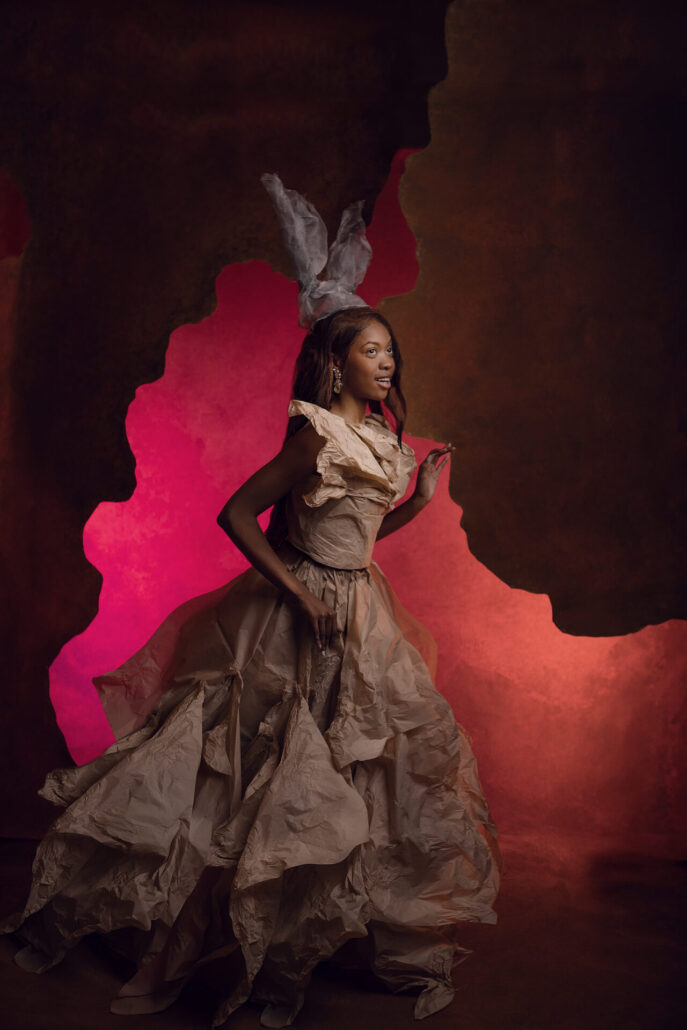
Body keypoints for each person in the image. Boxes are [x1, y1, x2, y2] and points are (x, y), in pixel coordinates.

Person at [1, 178, 500, 1028]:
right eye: (372, 351)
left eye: (390, 351)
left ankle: (293, 947)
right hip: (293, 614)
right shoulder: (314, 434)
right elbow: (235, 514)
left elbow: (357, 540)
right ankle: (191, 948)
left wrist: (415, 501)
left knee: (344, 774)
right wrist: (297, 591)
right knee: (257, 776)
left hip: (360, 612)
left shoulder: (379, 438)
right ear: (336, 361)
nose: (388, 363)